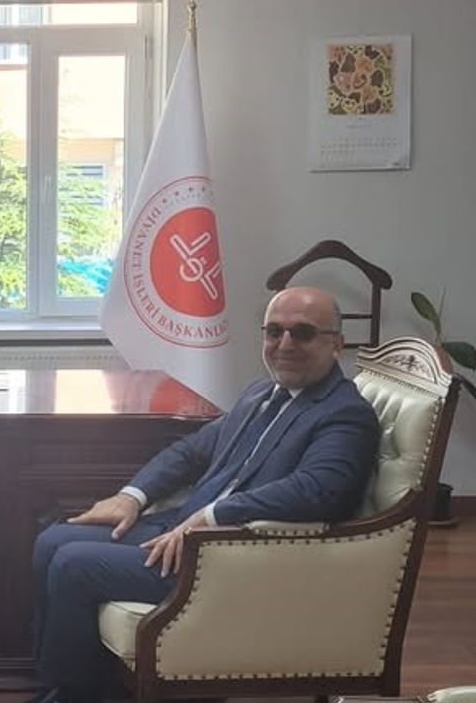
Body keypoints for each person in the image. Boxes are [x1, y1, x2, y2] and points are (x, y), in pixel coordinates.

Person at [28, 287, 380, 703]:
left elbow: (319, 490)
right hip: (179, 530)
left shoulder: (344, 413)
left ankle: (75, 695)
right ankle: (72, 685)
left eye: (302, 333)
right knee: (52, 539)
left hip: (229, 554)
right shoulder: (260, 394)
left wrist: (214, 515)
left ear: (336, 344)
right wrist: (132, 496)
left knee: (73, 565)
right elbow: (191, 451)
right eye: (274, 332)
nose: (285, 344)